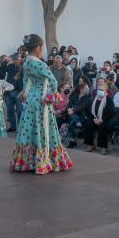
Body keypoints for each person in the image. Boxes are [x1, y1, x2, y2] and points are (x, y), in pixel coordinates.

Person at [11, 34, 73, 174]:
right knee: (43, 129)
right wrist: (49, 97)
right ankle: (43, 160)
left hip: (30, 100)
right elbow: (54, 82)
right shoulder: (40, 64)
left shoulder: (26, 62)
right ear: (38, 48)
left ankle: (27, 161)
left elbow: (26, 82)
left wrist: (25, 95)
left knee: (29, 129)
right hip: (41, 100)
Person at [84, 78, 115, 154]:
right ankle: (90, 145)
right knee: (88, 124)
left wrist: (101, 119)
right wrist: (94, 119)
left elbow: (111, 112)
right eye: (99, 90)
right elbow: (90, 110)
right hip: (95, 118)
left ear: (105, 90)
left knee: (102, 126)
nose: (100, 91)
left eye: (101, 90)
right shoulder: (95, 99)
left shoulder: (108, 99)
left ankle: (103, 147)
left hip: (104, 119)